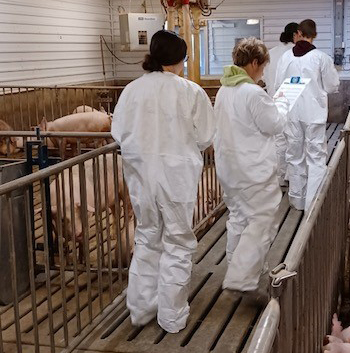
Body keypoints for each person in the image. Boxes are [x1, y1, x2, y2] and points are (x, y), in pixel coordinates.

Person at [111, 30, 215, 333]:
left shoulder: (131, 90)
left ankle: (141, 309)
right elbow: (206, 136)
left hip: (141, 176)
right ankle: (171, 317)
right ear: (180, 58)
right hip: (177, 179)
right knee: (178, 242)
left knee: (146, 237)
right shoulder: (190, 91)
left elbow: (118, 133)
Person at [214, 37, 289, 292]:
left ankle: (237, 266)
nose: (263, 72)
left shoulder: (224, 89)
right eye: (263, 67)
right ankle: (244, 278)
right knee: (261, 220)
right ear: (255, 62)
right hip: (252, 170)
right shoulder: (253, 93)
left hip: (229, 167)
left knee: (238, 217)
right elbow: (274, 125)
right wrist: (282, 103)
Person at [274, 19, 340, 211]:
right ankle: (313, 203)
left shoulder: (286, 57)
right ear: (315, 35)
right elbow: (331, 86)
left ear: (299, 33)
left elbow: (278, 84)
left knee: (294, 155)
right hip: (313, 115)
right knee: (316, 157)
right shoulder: (321, 58)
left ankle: (297, 199)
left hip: (291, 113)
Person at [263, 22, 299, 186]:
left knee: (278, 141)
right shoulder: (296, 54)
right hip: (293, 103)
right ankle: (292, 178)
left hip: (273, 102)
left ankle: (279, 177)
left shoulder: (271, 54)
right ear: (296, 35)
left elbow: (264, 78)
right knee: (295, 140)